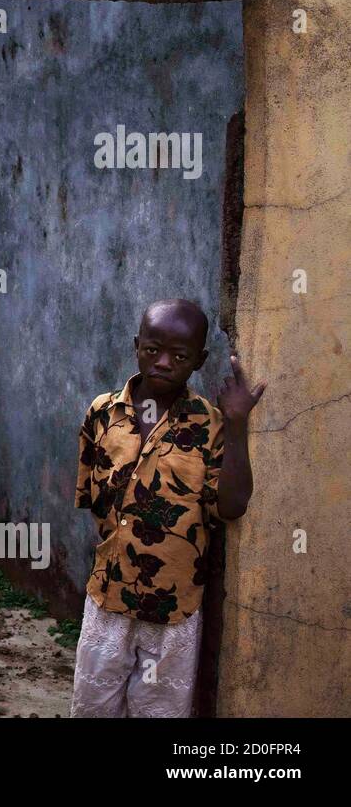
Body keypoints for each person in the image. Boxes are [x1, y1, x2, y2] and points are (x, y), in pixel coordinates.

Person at [71, 298, 266, 717]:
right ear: (136, 344)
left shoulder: (209, 424)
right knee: (93, 707)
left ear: (199, 360)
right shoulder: (102, 414)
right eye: (152, 349)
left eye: (179, 356)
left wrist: (237, 425)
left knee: (158, 711)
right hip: (107, 598)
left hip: (174, 607)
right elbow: (93, 499)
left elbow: (231, 507)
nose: (162, 362)